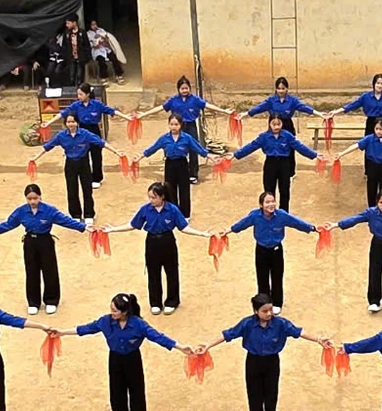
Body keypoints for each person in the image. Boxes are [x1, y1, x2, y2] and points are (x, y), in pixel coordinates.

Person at [195, 295, 328, 411]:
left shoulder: (281, 324)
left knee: (271, 391)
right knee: (254, 391)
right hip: (253, 361)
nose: (269, 313)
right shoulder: (247, 324)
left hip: (272, 361)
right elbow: (228, 334)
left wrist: (318, 340)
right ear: (256, 311)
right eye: (265, 311)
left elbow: (299, 332)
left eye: (270, 309)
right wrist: (208, 345)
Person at [63, 293, 180, 411]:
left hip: (133, 359)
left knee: (136, 390)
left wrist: (180, 347)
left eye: (115, 311)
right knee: (116, 390)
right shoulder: (106, 321)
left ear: (124, 312)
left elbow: (158, 337)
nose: (111, 313)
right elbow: (87, 329)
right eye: (111, 309)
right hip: (115, 359)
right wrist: (62, 332)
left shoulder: (138, 324)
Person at [107, 184, 215, 314]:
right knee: (153, 273)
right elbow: (132, 224)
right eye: (150, 197)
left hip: (168, 241)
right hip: (152, 242)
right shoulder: (145, 209)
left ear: (162, 197)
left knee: (172, 272)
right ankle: (155, 302)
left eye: (154, 197)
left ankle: (172, 301)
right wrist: (113, 229)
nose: (151, 200)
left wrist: (201, 233)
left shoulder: (172, 210)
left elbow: (183, 227)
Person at [0, 185, 88, 315]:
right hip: (30, 243)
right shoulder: (21, 211)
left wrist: (83, 227)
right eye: (29, 199)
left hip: (45, 242)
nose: (32, 201)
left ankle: (51, 300)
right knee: (31, 271)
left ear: (40, 197)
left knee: (50, 271)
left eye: (35, 198)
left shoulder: (49, 210)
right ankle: (33, 302)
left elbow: (65, 220)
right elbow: (9, 224)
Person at [226, 188, 315, 307]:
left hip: (276, 251)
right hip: (261, 251)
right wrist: (227, 231)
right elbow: (241, 224)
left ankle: (277, 303)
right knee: (262, 279)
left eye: (273, 201)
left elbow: (297, 223)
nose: (271, 205)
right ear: (261, 205)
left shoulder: (282, 215)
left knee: (277, 278)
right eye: (267, 202)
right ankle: (264, 303)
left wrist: (313, 228)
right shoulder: (254, 216)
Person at [33, 112, 125, 221]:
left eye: (73, 122)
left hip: (84, 163)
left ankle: (89, 214)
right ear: (65, 123)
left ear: (77, 122)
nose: (71, 124)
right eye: (68, 122)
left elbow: (101, 143)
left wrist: (116, 152)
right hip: (70, 164)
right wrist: (35, 157)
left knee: (87, 189)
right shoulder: (61, 136)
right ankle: (75, 215)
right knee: (72, 190)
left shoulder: (85, 134)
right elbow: (48, 146)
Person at [230, 114, 319, 212]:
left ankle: (284, 214)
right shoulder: (264, 137)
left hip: (284, 164)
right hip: (270, 164)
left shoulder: (287, 136)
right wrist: (235, 155)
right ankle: (268, 212)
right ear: (269, 124)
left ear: (282, 124)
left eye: (279, 124)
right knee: (269, 191)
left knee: (284, 190)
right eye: (274, 124)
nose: (276, 127)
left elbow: (299, 146)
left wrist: (315, 155)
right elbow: (251, 146)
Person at [139, 117, 211, 217]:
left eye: (176, 124)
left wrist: (211, 157)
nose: (173, 127)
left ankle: (185, 216)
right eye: (171, 124)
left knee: (184, 190)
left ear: (181, 125)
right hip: (169, 164)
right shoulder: (164, 138)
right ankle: (172, 214)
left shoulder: (187, 138)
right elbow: (153, 148)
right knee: (169, 189)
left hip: (182, 164)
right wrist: (139, 157)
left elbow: (198, 148)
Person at [58, 84, 121, 187]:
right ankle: (86, 178)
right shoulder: (76, 105)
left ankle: (97, 178)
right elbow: (63, 113)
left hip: (94, 129)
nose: (79, 96)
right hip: (81, 130)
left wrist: (127, 117)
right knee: (83, 155)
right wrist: (48, 123)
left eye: (81, 94)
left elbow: (111, 111)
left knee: (96, 155)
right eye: (78, 94)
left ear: (87, 94)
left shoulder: (97, 104)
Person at [243, 77, 318, 132]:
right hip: (273, 126)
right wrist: (244, 114)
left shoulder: (293, 100)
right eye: (279, 88)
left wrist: (320, 114)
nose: (281, 91)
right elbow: (258, 108)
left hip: (287, 127)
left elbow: (305, 108)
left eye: (283, 88)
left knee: (289, 150)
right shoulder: (270, 101)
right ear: (276, 89)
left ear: (287, 89)